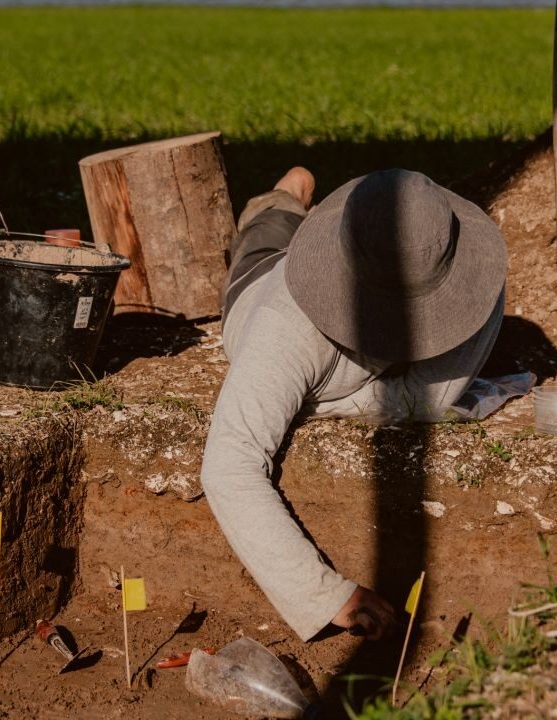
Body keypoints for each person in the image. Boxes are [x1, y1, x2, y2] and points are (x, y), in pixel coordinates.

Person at [200, 166, 507, 642]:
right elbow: (228, 466)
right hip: (261, 281)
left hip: (344, 267)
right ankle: (285, 195)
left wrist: (323, 404)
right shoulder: (284, 330)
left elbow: (428, 399)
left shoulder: (468, 265)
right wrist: (324, 594)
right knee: (265, 235)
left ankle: (301, 211)